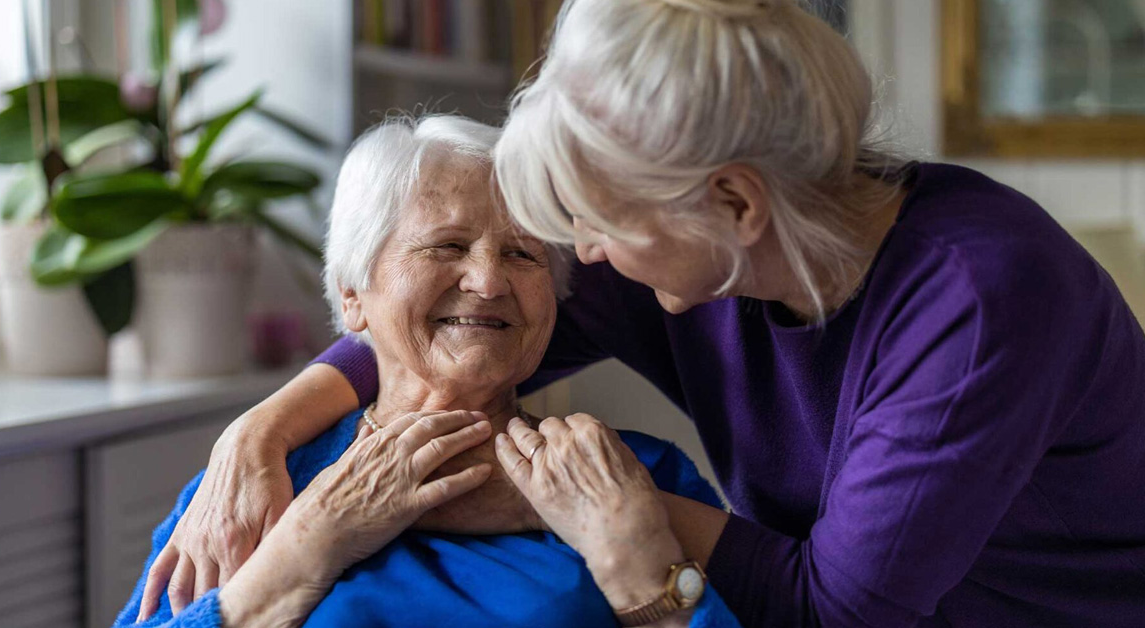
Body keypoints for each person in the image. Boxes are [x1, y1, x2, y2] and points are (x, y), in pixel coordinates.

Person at [143, 1, 1145, 626]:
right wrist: (262, 434)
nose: (579, 260)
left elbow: (834, 611)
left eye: (586, 226)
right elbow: (447, 324)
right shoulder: (264, 492)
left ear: (737, 204)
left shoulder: (978, 301)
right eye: (449, 245)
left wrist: (597, 522)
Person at [124, 114, 737, 628]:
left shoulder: (632, 473)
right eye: (445, 246)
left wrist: (640, 570)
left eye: (522, 254)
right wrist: (302, 551)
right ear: (353, 294)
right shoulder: (256, 488)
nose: (489, 281)